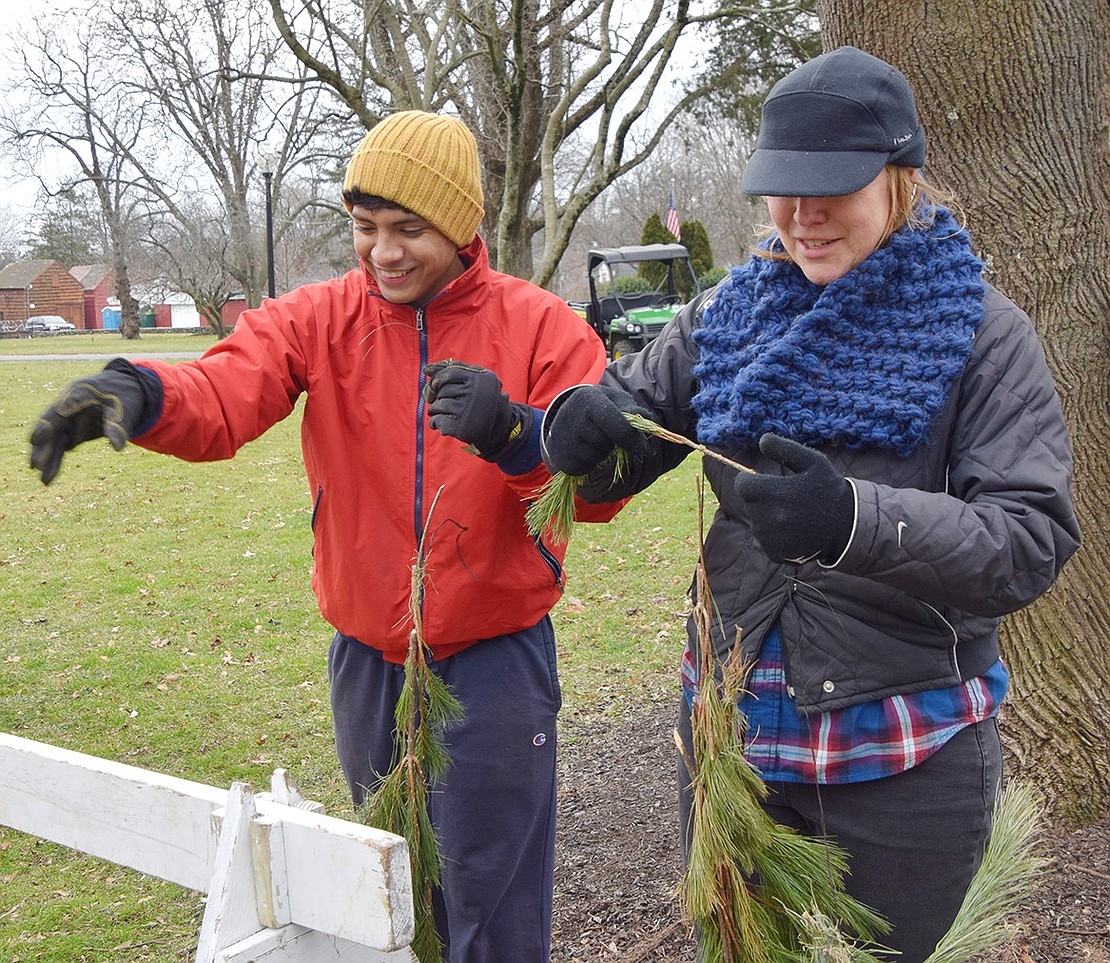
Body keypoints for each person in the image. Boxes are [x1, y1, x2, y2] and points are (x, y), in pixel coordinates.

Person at [28, 110, 619, 963]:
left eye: (408, 229)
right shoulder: (320, 319)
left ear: (462, 226)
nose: (383, 251)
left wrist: (518, 434)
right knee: (393, 892)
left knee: (492, 905)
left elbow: (597, 491)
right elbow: (227, 391)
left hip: (496, 661)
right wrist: (141, 393)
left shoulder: (540, 327)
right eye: (366, 228)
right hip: (369, 662)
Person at [541, 46, 1081, 962]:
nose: (802, 215)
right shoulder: (729, 314)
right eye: (782, 189)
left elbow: (1027, 538)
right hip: (731, 740)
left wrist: (852, 523)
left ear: (899, 176)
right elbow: (631, 417)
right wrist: (578, 429)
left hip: (903, 761)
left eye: (832, 186)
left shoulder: (983, 335)